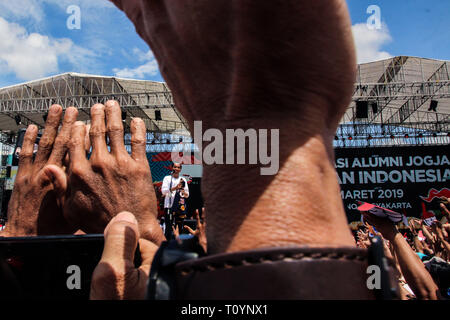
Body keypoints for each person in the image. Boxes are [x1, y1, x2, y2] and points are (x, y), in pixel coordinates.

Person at [161, 162, 189, 239]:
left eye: (178, 167)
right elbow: (163, 191)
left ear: (180, 169)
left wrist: (182, 191)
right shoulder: (167, 178)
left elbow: (187, 195)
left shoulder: (183, 179)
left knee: (179, 227)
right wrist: (175, 187)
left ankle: (179, 245)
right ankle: (167, 244)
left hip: (179, 207)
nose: (176, 169)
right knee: (169, 227)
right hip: (169, 206)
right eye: (175, 167)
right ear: (172, 168)